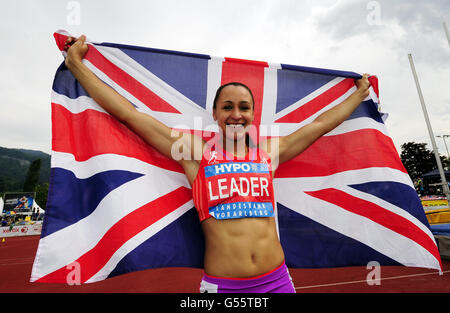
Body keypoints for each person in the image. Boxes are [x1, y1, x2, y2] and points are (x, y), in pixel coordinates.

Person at [64, 35, 370, 293]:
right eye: (227, 107)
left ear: (253, 115)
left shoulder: (269, 153)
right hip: (224, 286)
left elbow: (318, 126)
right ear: (215, 114)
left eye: (244, 107)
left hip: (277, 280)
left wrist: (358, 96)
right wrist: (77, 65)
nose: (236, 114)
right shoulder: (195, 153)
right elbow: (130, 115)